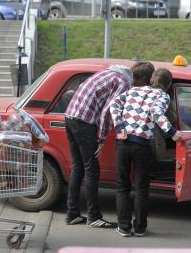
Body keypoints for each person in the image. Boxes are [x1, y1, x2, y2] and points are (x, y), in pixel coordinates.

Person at [64, 62, 155, 228]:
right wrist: (102, 138)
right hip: (85, 122)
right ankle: (93, 217)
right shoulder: (124, 83)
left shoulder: (108, 72)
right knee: (92, 170)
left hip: (70, 117)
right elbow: (108, 110)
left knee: (78, 166)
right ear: (142, 80)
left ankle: (72, 214)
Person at [110, 68, 183, 237]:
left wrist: (119, 126)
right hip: (142, 146)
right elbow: (156, 113)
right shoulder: (163, 96)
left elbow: (114, 104)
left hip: (122, 144)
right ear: (168, 84)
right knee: (141, 188)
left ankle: (124, 227)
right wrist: (173, 133)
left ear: (151, 80)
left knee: (122, 187)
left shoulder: (133, 90)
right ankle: (140, 228)